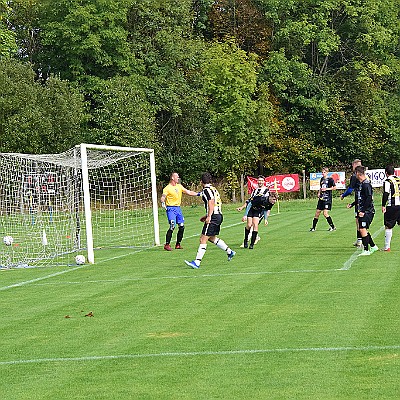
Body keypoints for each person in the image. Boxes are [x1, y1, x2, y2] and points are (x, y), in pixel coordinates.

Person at [184, 172, 235, 268]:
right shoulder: (212, 189)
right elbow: (195, 194)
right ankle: (230, 252)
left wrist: (209, 216)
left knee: (203, 239)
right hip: (218, 215)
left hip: (214, 216)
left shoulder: (207, 190)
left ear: (201, 182)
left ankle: (197, 262)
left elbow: (211, 202)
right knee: (211, 238)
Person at [160, 172, 199, 251]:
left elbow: (188, 192)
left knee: (181, 226)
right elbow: (163, 196)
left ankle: (178, 244)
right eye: (177, 177)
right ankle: (167, 244)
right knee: (172, 225)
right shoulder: (167, 188)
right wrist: (163, 202)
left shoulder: (179, 186)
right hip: (171, 209)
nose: (178, 178)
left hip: (178, 209)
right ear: (172, 178)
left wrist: (198, 194)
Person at [236, 175, 270, 249]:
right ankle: (245, 240)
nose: (260, 182)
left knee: (255, 225)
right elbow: (249, 202)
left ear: (264, 182)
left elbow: (266, 205)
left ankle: (251, 244)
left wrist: (266, 218)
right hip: (252, 209)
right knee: (249, 225)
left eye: (261, 180)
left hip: (259, 210)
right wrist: (244, 213)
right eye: (259, 180)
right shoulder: (255, 191)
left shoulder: (266, 191)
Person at [354, 165, 379, 256]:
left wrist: (363, 211)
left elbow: (369, 198)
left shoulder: (366, 184)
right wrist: (353, 204)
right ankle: (373, 246)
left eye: (355, 173)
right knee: (363, 230)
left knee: (362, 229)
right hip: (363, 210)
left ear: (358, 173)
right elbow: (361, 198)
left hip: (367, 211)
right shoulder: (361, 184)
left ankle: (366, 250)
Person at [341, 159, 362, 247]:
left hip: (360, 201)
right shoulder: (364, 175)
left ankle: (361, 240)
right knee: (359, 220)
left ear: (354, 165)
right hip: (363, 200)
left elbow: (350, 190)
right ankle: (359, 240)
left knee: (359, 220)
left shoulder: (354, 176)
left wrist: (343, 195)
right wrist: (353, 204)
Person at [310, 167, 336, 232]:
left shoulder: (330, 179)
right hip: (321, 198)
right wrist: (319, 193)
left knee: (325, 213)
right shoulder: (321, 179)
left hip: (327, 199)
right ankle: (313, 228)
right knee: (317, 213)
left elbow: (334, 187)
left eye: (324, 172)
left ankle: (332, 227)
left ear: (327, 172)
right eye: (322, 172)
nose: (323, 173)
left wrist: (327, 189)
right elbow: (321, 187)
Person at [381, 165, 400, 251]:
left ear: (386, 173)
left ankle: (387, 247)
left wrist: (383, 205)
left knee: (388, 226)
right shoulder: (398, 179)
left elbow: (385, 193)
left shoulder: (387, 181)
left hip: (391, 206)